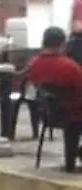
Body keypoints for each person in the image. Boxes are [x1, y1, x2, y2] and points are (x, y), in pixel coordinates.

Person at [22, 26, 82, 171]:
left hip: (48, 114)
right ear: (63, 44)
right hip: (74, 114)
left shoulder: (33, 64)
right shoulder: (70, 67)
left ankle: (71, 160)